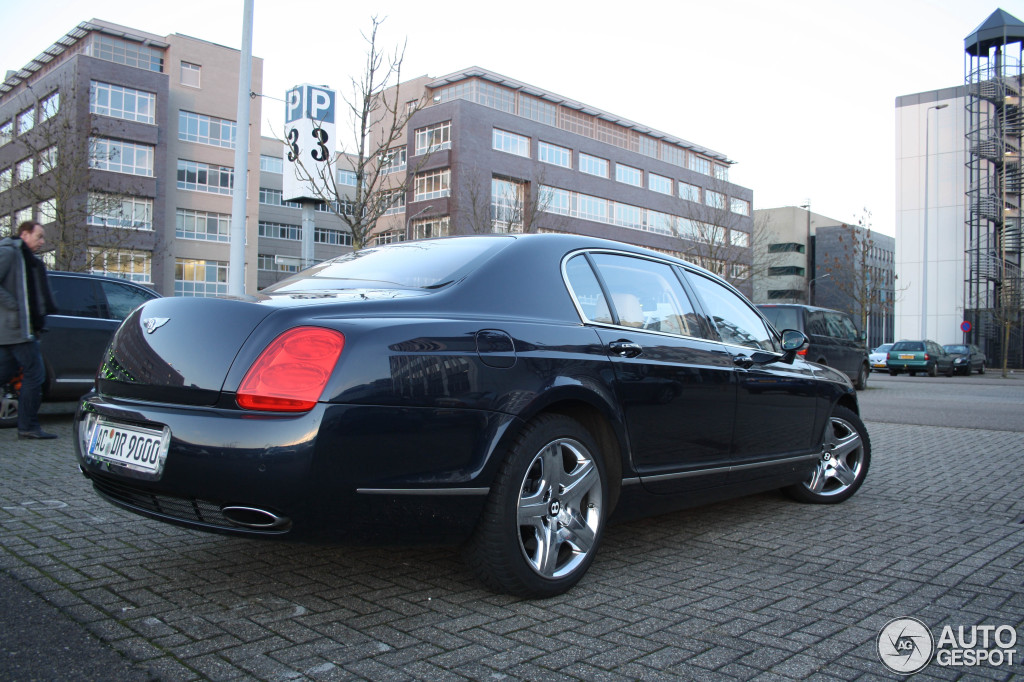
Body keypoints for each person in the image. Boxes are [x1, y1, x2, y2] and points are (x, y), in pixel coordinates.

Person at [0, 221, 58, 439]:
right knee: (35, 375)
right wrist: (15, 305)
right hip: (17, 329)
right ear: (24, 234)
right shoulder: (9, 253)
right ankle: (28, 426)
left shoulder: (27, 259)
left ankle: (27, 426)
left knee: (4, 372)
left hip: (19, 329)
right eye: (39, 236)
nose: (42, 242)